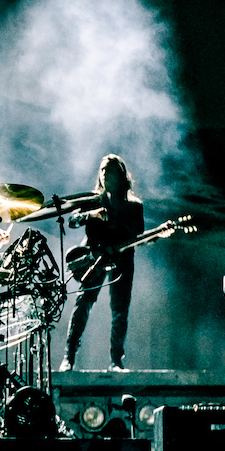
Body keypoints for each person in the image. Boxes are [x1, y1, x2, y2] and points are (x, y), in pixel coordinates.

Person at [59, 154, 145, 372]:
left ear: (121, 175)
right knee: (83, 304)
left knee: (120, 309)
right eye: (102, 170)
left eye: (110, 170)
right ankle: (69, 357)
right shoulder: (92, 201)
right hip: (94, 258)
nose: (105, 174)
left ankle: (116, 360)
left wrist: (118, 223)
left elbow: (139, 233)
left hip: (122, 260)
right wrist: (92, 215)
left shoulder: (134, 206)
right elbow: (72, 220)